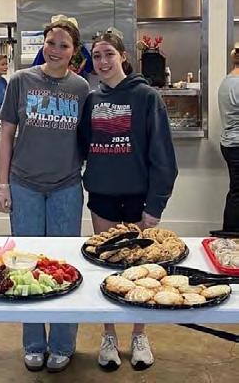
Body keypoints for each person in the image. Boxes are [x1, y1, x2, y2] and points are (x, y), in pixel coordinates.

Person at [78, 31, 178, 371]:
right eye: (96, 56)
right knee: (105, 266)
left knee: (139, 269)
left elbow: (163, 157)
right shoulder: (92, 99)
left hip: (138, 198)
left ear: (122, 56)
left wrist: (155, 206)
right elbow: (84, 145)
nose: (103, 61)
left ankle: (139, 334)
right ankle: (108, 334)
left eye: (108, 53)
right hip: (102, 196)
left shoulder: (146, 96)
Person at [0, 16, 89, 373]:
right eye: (51, 43)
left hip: (66, 186)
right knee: (26, 264)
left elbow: (86, 139)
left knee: (64, 265)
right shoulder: (21, 81)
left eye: (64, 45)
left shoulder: (81, 88)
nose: (55, 50)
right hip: (25, 186)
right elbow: (6, 136)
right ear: (43, 45)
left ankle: (63, 343)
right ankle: (34, 342)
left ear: (73, 52)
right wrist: (3, 184)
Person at [215, 44, 239, 235]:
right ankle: (231, 235)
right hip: (237, 145)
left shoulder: (228, 81)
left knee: (236, 191)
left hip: (230, 143)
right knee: (237, 193)